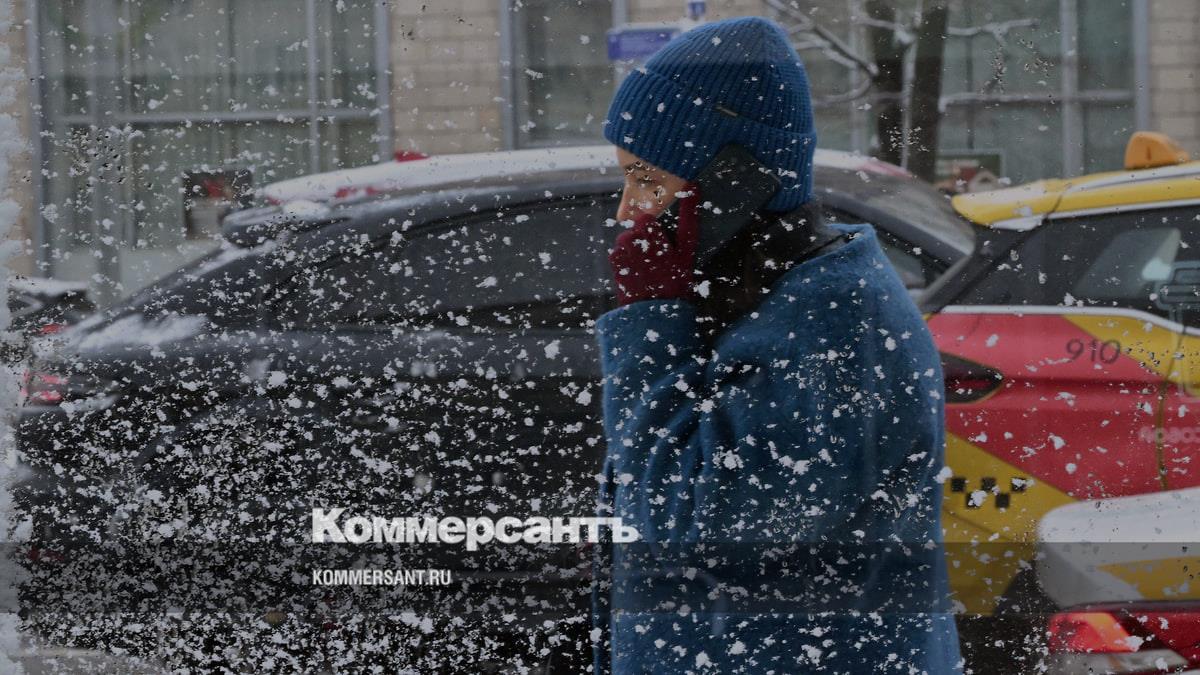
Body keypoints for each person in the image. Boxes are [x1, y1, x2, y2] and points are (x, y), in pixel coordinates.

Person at [591, 16, 962, 674]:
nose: (627, 211)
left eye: (647, 180)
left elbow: (690, 529)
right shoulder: (763, 298)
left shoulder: (834, 325)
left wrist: (651, 324)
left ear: (731, 181)